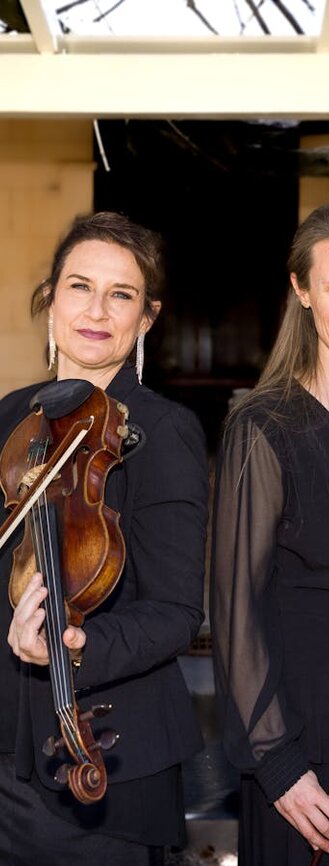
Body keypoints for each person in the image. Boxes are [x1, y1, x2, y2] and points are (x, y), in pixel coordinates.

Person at [0, 211, 209, 865]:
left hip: (98, 763)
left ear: (146, 317)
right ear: (51, 297)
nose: (96, 309)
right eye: (79, 286)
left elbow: (178, 613)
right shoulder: (11, 417)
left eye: (120, 294)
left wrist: (76, 644)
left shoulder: (162, 430)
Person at [210, 200, 329, 865]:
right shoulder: (267, 428)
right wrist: (279, 764)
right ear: (303, 293)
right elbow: (237, 613)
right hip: (316, 755)